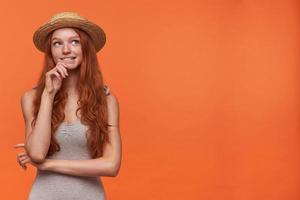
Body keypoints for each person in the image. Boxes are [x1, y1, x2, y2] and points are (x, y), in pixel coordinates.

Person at [13, 12, 122, 200]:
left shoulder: (106, 101)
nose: (65, 50)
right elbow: (38, 153)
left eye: (74, 42)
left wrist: (48, 165)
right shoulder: (31, 98)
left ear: (86, 48)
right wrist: (48, 94)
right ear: (51, 51)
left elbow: (111, 166)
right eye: (57, 43)